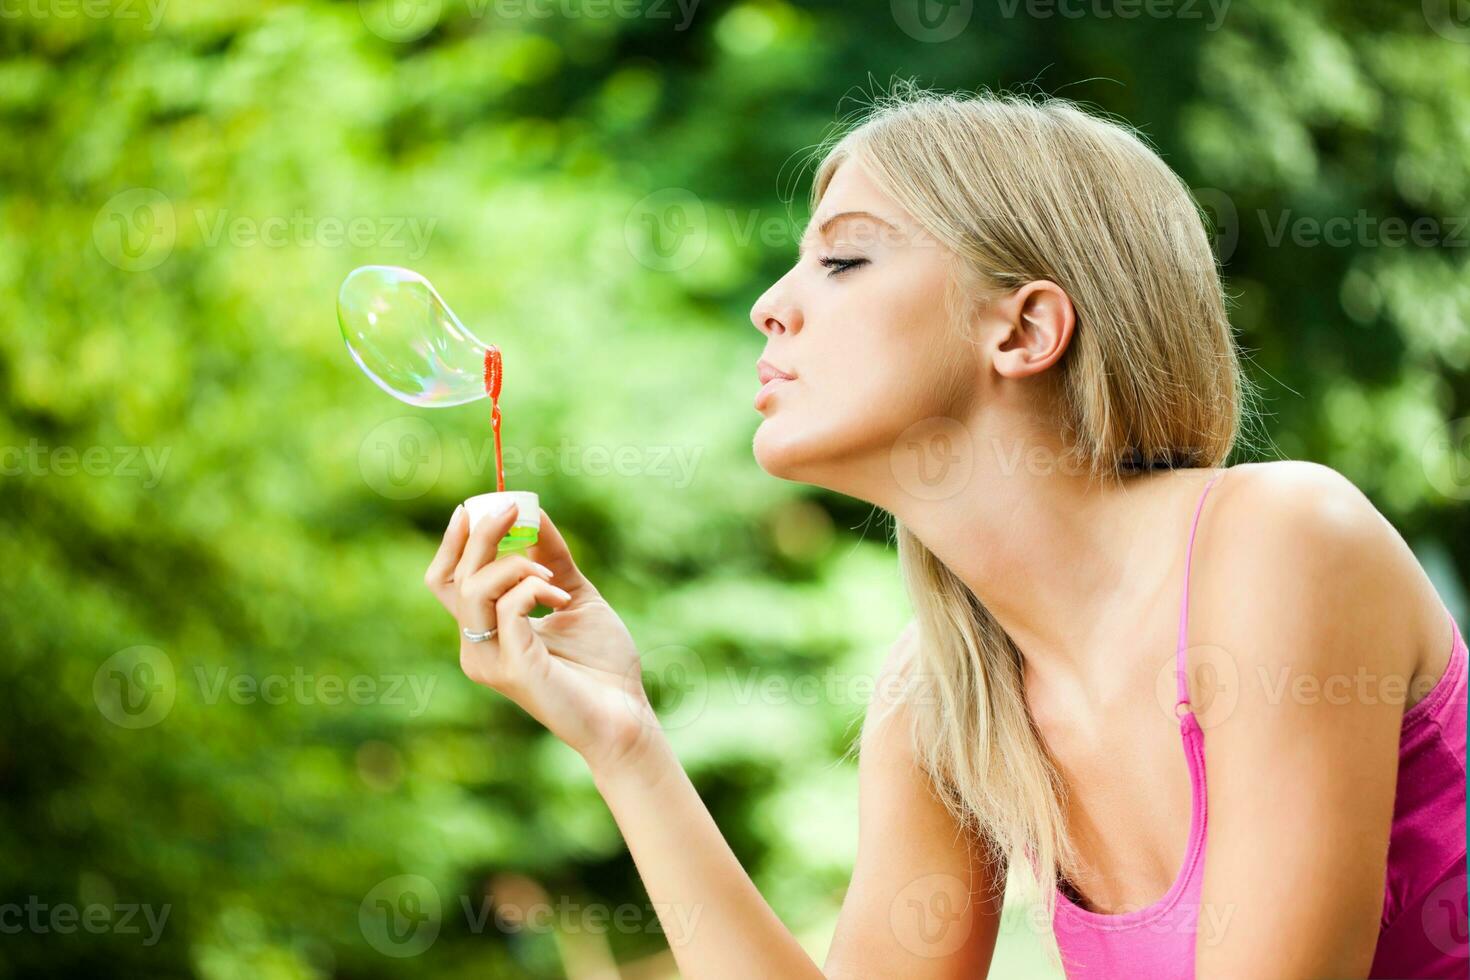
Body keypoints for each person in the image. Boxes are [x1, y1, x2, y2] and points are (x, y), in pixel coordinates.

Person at [421, 87, 1469, 978]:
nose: (770, 308)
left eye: (844, 261)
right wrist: (623, 738)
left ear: (1022, 328)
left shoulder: (1282, 539)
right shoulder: (945, 696)